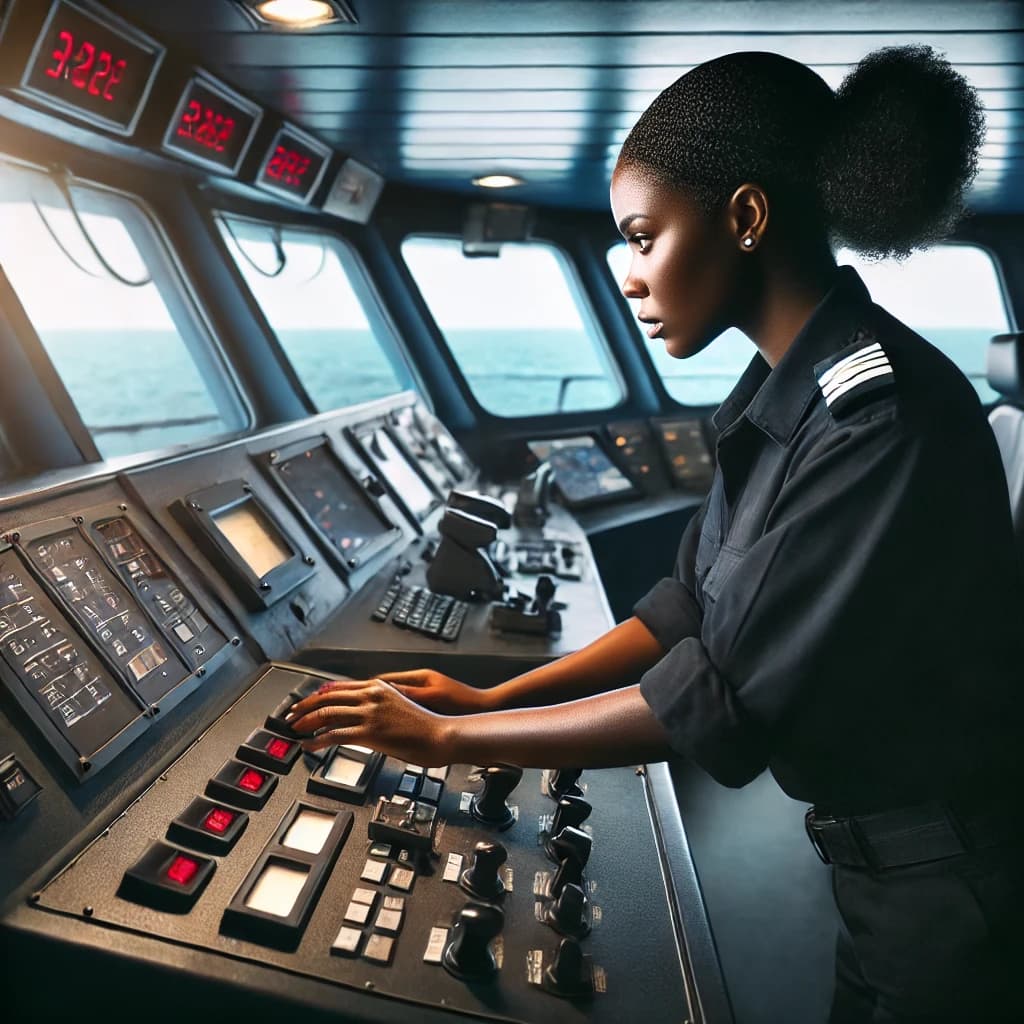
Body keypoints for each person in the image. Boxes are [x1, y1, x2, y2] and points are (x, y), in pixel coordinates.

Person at [288, 47, 1024, 1022]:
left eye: (643, 236)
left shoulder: (872, 415)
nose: (630, 277)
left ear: (745, 218)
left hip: (952, 879)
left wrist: (445, 737)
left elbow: (715, 699)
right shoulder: (779, 394)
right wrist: (494, 693)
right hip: (878, 861)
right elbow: (686, 607)